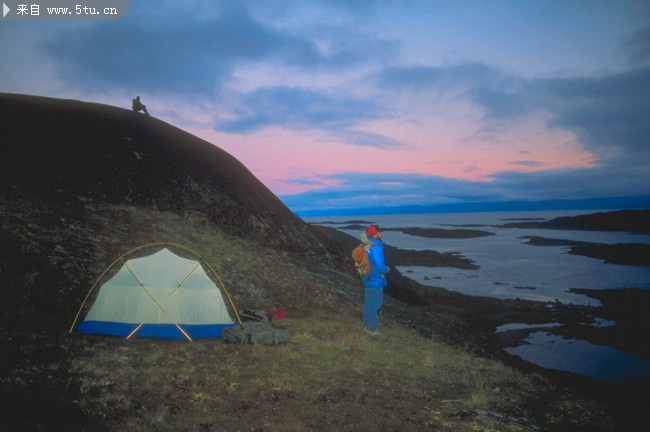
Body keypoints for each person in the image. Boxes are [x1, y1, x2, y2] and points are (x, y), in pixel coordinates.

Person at [361, 224, 390, 333]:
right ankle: (371, 328)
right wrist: (386, 269)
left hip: (368, 278)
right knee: (375, 303)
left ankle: (367, 325)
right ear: (375, 234)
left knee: (368, 302)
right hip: (375, 279)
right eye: (379, 231)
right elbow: (379, 266)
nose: (381, 233)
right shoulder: (375, 248)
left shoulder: (368, 245)